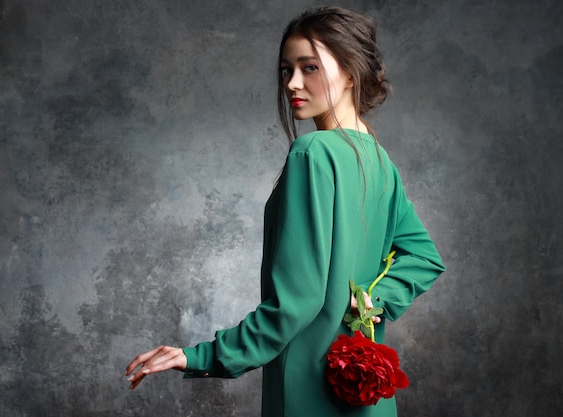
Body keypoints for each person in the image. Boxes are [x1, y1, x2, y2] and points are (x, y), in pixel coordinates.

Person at [126, 6, 445, 417]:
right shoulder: (381, 161)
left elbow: (297, 303)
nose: (293, 83)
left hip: (307, 391)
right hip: (368, 396)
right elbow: (424, 259)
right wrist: (367, 301)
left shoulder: (312, 153)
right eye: (285, 70)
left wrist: (202, 356)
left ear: (350, 73)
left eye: (309, 67)